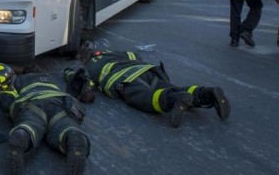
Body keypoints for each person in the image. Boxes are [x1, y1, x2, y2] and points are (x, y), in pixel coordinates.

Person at [68, 47, 231, 128]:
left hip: (124, 80)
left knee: (144, 97)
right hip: (148, 70)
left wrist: (68, 73)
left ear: (84, 59)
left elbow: (82, 84)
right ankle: (207, 94)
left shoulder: (88, 67)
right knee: (172, 87)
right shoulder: (110, 52)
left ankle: (175, 100)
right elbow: (134, 55)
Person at [0, 71, 90, 175]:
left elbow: (6, 102)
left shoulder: (18, 80)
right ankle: (71, 134)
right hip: (59, 100)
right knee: (63, 124)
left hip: (32, 102)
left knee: (31, 123)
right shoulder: (49, 77)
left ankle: (23, 132)